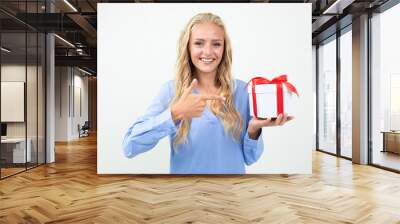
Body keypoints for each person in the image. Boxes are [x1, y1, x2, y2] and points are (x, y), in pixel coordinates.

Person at [122, 12, 293, 174]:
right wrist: (174, 114)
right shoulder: (171, 91)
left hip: (231, 195)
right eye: (199, 43)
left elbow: (251, 158)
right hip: (185, 196)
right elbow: (129, 147)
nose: (208, 52)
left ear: (224, 48)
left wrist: (254, 129)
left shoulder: (243, 91)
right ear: (187, 47)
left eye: (216, 44)